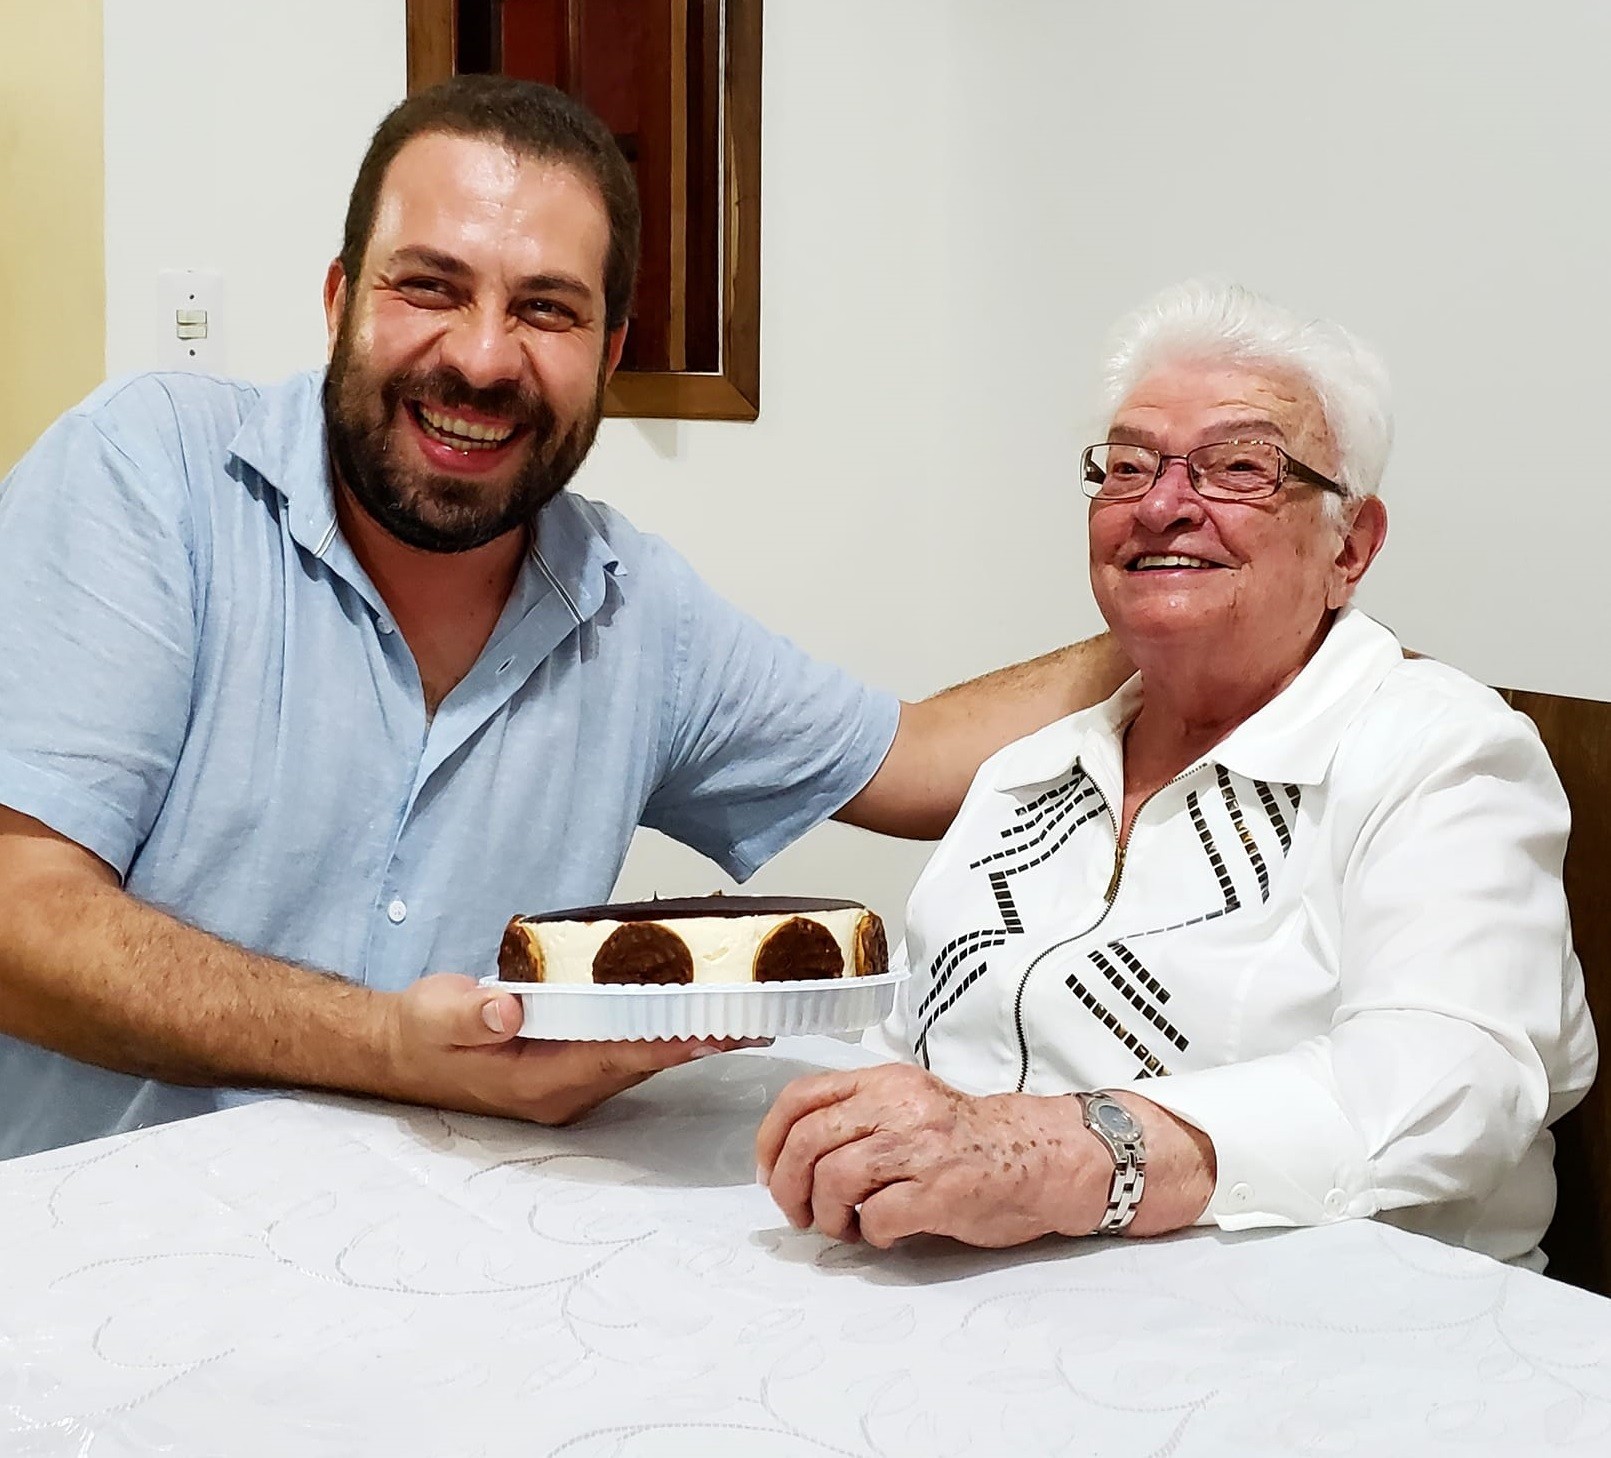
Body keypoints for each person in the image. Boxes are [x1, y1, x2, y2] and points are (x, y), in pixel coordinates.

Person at [0, 76, 1129, 1160]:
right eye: (430, 286)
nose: (484, 358)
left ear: (610, 353)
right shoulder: (149, 476)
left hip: (435, 1285)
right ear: (341, 300)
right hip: (88, 1274)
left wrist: (1200, 612)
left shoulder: (638, 611)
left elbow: (923, 758)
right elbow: (19, 920)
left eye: (546, 309)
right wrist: (393, 1046)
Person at [757, 281, 1598, 1268]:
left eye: (1240, 467)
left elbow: (1456, 1080)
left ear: (1351, 547)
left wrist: (1069, 1155)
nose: (1160, 505)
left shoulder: (1441, 754)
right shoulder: (1030, 775)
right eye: (1126, 468)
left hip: (1343, 1351)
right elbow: (917, 1054)